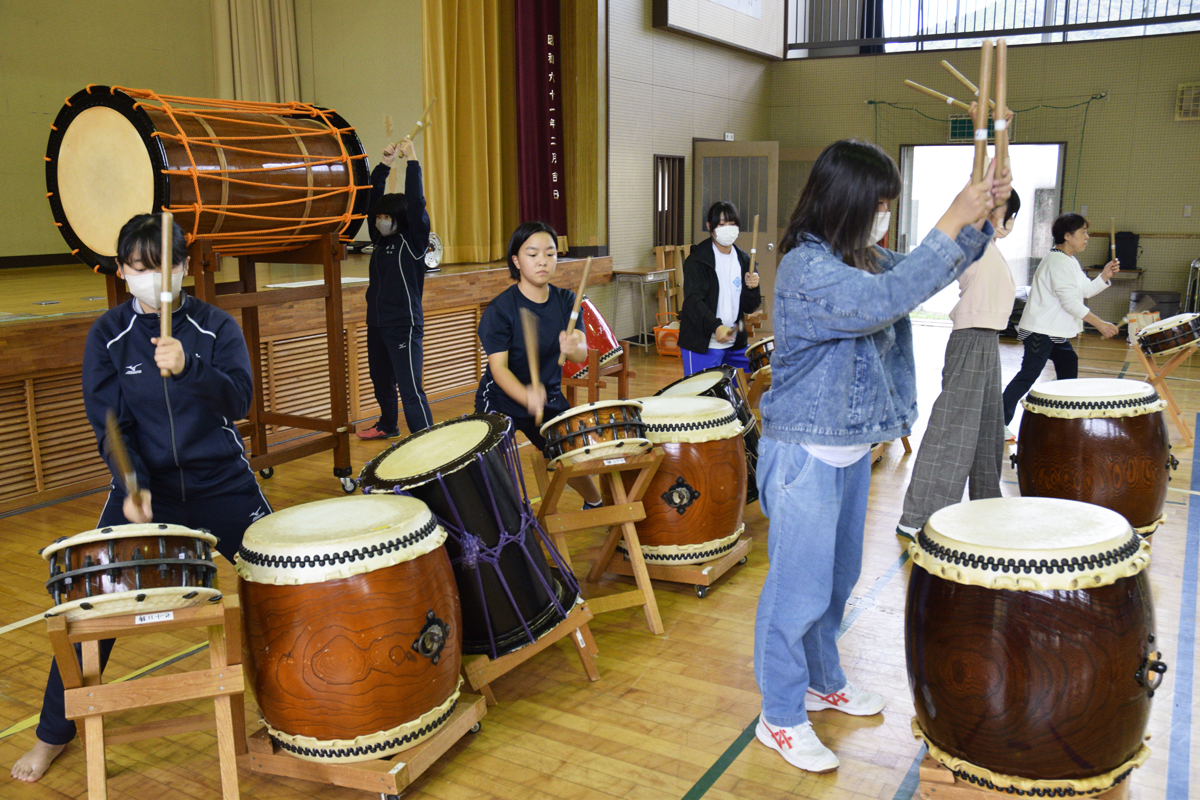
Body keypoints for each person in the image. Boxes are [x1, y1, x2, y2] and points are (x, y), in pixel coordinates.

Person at [754, 140, 1008, 772]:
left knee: (835, 584)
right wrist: (952, 218)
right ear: (848, 202)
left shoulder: (857, 257)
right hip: (803, 455)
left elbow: (929, 271)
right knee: (796, 593)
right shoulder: (807, 269)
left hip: (846, 452)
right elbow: (886, 298)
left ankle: (823, 681)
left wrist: (980, 223)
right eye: (880, 205)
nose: (884, 216)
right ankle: (780, 716)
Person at [11, 214, 271, 783]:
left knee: (280, 582)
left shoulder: (215, 327)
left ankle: (298, 700)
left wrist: (190, 367)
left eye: (165, 265)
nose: (153, 277)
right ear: (123, 271)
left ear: (184, 268)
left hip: (223, 483)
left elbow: (240, 400)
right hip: (147, 491)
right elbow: (111, 424)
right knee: (92, 600)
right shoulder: (106, 335)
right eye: (139, 267)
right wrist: (133, 486)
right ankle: (54, 732)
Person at [896, 190, 1022, 540]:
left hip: (987, 341)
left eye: (1001, 213)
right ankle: (919, 516)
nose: (996, 218)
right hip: (970, 340)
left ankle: (986, 503)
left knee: (987, 429)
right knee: (952, 429)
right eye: (992, 211)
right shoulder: (972, 247)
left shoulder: (990, 250)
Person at [475, 221, 602, 508]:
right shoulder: (500, 310)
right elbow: (499, 368)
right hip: (501, 398)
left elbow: (581, 353)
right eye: (532, 255)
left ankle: (595, 503)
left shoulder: (566, 300)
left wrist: (574, 346)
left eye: (550, 253)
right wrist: (525, 396)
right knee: (491, 462)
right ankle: (504, 518)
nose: (542, 261)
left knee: (568, 451)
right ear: (517, 261)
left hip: (548, 394)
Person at [1001, 213, 1120, 437]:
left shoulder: (1069, 261)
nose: (1087, 237)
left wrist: (1104, 276)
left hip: (1052, 332)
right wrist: (1100, 324)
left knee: (1068, 362)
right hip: (1040, 331)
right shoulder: (1057, 261)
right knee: (1028, 376)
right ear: (1067, 235)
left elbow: (1084, 291)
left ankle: (1066, 416)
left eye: (1087, 232)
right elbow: (1071, 304)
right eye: (1082, 232)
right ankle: (997, 422)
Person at [356, 136, 434, 440]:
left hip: (404, 324)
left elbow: (417, 204)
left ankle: (426, 438)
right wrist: (384, 165)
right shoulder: (379, 241)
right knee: (381, 381)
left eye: (387, 217)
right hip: (376, 323)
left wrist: (412, 160)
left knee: (410, 386)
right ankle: (388, 425)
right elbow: (370, 199)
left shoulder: (413, 243)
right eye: (379, 217)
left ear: (399, 220)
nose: (381, 220)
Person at [678, 201, 762, 377]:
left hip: (735, 343)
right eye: (722, 224)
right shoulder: (698, 260)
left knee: (746, 389)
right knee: (702, 398)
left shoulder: (745, 260)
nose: (728, 229)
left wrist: (753, 287)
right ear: (710, 226)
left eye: (732, 224)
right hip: (703, 343)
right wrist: (716, 326)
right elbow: (693, 302)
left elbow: (750, 306)